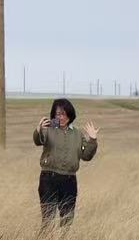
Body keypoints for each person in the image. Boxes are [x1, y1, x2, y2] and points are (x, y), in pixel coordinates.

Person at [31, 97, 99, 228]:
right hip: (49, 179)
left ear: (70, 114)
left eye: (64, 114)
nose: (61, 117)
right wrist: (38, 130)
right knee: (48, 220)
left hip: (69, 181)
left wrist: (92, 140)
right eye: (58, 114)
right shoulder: (48, 128)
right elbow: (38, 140)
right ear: (53, 115)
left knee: (67, 220)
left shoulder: (77, 133)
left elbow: (86, 156)